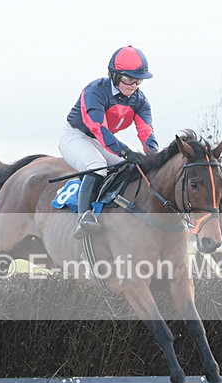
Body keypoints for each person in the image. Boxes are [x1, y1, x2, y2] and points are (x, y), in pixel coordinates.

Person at [59, 45, 159, 239]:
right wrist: (125, 151)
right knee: (97, 165)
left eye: (138, 80)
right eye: (128, 78)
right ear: (114, 74)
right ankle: (84, 218)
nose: (133, 85)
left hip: (100, 141)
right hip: (75, 136)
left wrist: (154, 157)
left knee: (127, 167)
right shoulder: (94, 91)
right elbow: (98, 128)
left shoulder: (140, 101)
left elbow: (146, 132)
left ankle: (111, 208)